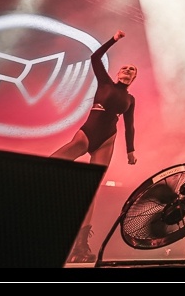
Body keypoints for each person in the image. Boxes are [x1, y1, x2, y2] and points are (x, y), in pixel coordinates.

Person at [50, 29, 138, 263]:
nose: (128, 70)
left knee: (91, 190)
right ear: (118, 72)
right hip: (88, 133)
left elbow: (130, 126)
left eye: (132, 70)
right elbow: (95, 58)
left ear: (134, 77)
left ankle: (80, 247)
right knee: (50, 165)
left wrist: (130, 150)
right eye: (125, 67)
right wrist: (114, 40)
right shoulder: (105, 82)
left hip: (107, 139)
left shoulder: (130, 99)